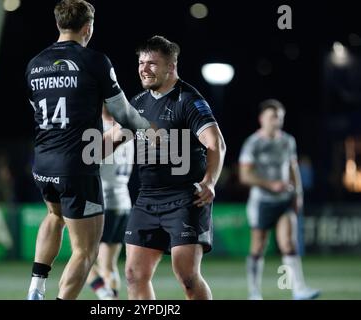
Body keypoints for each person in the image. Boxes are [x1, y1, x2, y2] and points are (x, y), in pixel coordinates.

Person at [25, 0, 152, 300]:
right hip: (77, 167)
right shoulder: (95, 61)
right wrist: (149, 128)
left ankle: (35, 287)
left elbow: (40, 115)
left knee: (54, 217)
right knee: (86, 251)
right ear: (88, 28)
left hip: (43, 163)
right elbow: (124, 114)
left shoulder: (34, 64)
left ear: (59, 24)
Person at [122, 36, 226, 300]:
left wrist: (210, 181)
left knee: (187, 276)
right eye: (141, 62)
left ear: (171, 66)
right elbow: (111, 139)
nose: (144, 69)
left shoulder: (188, 100)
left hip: (185, 198)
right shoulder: (138, 102)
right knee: (134, 274)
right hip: (147, 198)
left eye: (152, 63)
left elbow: (216, 144)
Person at [239, 99, 320, 300]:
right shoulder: (253, 143)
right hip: (262, 202)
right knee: (258, 246)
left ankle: (298, 290)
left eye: (280, 117)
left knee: (289, 244)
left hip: (284, 200)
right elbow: (245, 175)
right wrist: (271, 185)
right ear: (262, 119)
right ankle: (254, 293)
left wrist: (298, 194)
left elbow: (293, 168)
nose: (277, 121)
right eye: (272, 117)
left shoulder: (288, 141)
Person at [86, 107, 134, 300]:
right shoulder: (128, 130)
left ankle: (105, 296)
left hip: (103, 200)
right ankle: (112, 299)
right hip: (124, 201)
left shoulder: (98, 130)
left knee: (82, 257)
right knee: (109, 265)